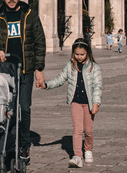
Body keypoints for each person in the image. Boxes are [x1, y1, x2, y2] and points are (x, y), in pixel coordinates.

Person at [0, 0, 46, 165]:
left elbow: (39, 41)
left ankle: (24, 145)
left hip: (26, 69)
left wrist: (39, 69)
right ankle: (6, 144)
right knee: (6, 109)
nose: (11, 0)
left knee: (24, 108)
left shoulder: (30, 15)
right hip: (5, 71)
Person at [42, 38, 102, 168]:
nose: (79, 57)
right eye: (76, 54)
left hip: (89, 103)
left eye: (82, 54)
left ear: (88, 53)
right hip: (75, 102)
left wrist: (96, 103)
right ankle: (77, 156)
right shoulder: (70, 66)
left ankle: (88, 149)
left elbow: (98, 86)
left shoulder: (94, 67)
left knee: (89, 130)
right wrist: (46, 85)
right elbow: (59, 79)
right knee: (77, 129)